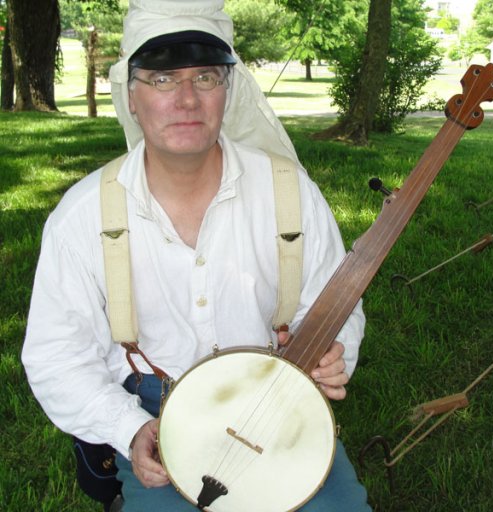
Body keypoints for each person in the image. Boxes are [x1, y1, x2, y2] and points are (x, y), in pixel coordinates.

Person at [22, 1, 370, 510]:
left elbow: (333, 306)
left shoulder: (288, 193)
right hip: (155, 415)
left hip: (273, 403)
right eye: (162, 79)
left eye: (205, 76)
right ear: (132, 96)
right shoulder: (82, 217)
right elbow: (57, 356)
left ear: (227, 91)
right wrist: (130, 428)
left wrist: (332, 353)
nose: (186, 99)